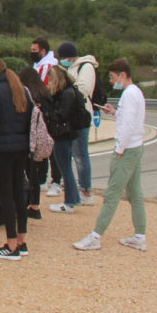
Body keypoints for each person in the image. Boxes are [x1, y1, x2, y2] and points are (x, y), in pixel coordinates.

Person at [74, 59, 148, 252]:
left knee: (112, 195)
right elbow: (130, 120)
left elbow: (128, 126)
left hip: (127, 149)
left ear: (122, 75)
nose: (112, 80)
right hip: (136, 146)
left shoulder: (129, 94)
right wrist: (115, 113)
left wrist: (120, 150)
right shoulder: (135, 92)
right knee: (135, 193)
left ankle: (96, 236)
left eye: (113, 76)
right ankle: (140, 235)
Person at [0, 58, 33, 260]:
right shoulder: (21, 89)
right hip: (21, 145)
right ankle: (21, 239)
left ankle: (10, 243)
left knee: (6, 194)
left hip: (3, 147)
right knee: (19, 192)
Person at [57, 41, 99, 205]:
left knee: (80, 155)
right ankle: (76, 188)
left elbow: (84, 89)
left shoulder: (86, 66)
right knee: (73, 154)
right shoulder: (70, 68)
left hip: (81, 116)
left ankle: (86, 190)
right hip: (71, 115)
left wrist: (65, 91)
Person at [18, 67, 55, 221]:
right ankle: (35, 205)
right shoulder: (45, 93)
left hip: (31, 139)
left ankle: (29, 203)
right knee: (36, 172)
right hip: (44, 136)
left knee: (27, 173)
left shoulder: (28, 96)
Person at [31, 36, 65, 197]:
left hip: (48, 110)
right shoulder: (38, 65)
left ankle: (56, 180)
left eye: (34, 51)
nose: (32, 53)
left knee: (51, 146)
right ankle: (42, 178)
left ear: (42, 51)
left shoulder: (49, 66)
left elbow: (45, 88)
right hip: (42, 109)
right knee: (42, 143)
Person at [46, 66, 83, 214]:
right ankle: (73, 198)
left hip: (63, 133)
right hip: (66, 133)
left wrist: (48, 111)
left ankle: (69, 201)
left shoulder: (67, 94)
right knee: (65, 167)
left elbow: (61, 115)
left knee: (65, 167)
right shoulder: (68, 92)